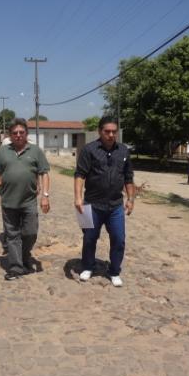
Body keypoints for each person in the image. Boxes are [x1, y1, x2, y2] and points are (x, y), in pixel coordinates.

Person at [74, 116, 135, 288]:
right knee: (89, 238)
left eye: (114, 132)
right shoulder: (89, 150)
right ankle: (88, 266)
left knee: (119, 238)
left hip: (115, 205)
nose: (110, 134)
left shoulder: (123, 151)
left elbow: (128, 177)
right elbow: (80, 175)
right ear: (100, 131)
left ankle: (114, 271)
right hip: (91, 204)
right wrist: (78, 197)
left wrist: (130, 199)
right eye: (107, 131)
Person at [0, 118, 50, 281]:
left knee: (30, 232)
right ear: (10, 135)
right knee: (12, 235)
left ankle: (23, 257)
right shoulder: (3, 152)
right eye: (15, 133)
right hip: (8, 202)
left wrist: (45, 196)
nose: (18, 135)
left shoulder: (36, 151)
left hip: (29, 201)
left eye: (21, 132)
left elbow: (44, 173)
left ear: (26, 134)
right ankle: (16, 267)